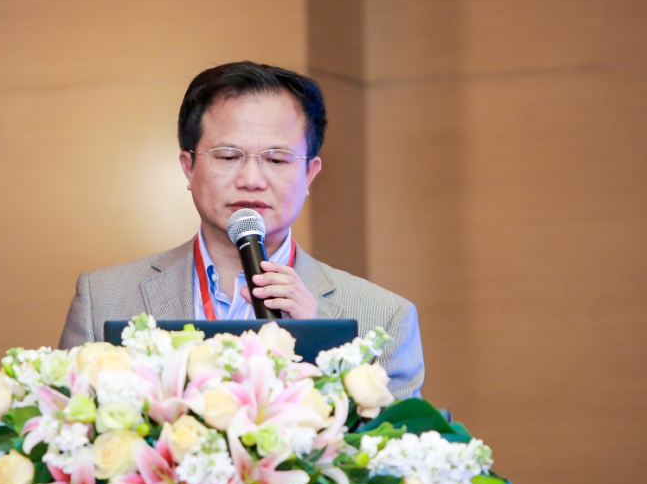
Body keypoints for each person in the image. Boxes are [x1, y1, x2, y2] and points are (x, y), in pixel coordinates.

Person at [59, 61, 424, 398]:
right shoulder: (102, 300)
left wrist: (316, 341)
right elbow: (68, 431)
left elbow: (391, 443)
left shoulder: (384, 319)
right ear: (188, 167)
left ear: (309, 174)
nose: (251, 179)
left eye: (276, 159)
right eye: (229, 156)